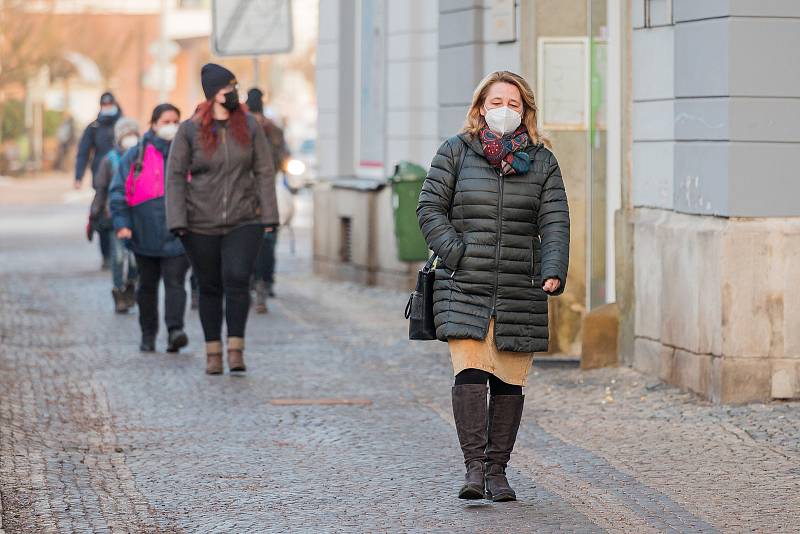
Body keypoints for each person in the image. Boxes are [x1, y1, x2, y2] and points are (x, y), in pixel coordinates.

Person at [417, 71, 570, 502]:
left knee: (507, 380)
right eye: (497, 101)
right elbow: (429, 207)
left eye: (514, 103)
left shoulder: (542, 160)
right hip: (464, 283)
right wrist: (456, 252)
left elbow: (555, 221)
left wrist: (554, 268)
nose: (505, 109)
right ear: (481, 107)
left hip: (520, 285)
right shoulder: (455, 151)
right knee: (470, 371)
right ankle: (473, 468)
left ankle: (498, 471)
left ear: (525, 111)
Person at [166, 63, 279, 375]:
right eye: (228, 88)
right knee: (210, 286)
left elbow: (264, 171)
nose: (234, 93)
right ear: (214, 93)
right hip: (200, 221)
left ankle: (236, 348)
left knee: (238, 278)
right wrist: (177, 220)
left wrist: (269, 215)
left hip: (245, 219)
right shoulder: (190, 130)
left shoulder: (250, 127)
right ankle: (213, 351)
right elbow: (175, 176)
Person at [110, 103, 190, 354]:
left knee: (175, 283)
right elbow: (118, 191)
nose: (171, 126)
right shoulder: (136, 155)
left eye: (175, 121)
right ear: (154, 124)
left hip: (178, 231)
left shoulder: (187, 153)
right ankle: (148, 333)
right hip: (144, 231)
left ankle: (175, 331)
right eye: (166, 121)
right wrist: (122, 223)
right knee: (147, 286)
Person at [245, 87, 290, 313]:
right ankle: (252, 283)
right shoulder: (240, 129)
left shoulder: (273, 131)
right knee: (249, 243)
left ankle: (265, 282)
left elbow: (283, 156)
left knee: (268, 241)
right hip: (244, 195)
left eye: (258, 115)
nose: (256, 119)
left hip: (269, 191)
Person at [90, 117, 140, 313]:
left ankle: (130, 287)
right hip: (116, 216)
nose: (130, 138)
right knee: (118, 257)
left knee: (136, 260)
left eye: (133, 133)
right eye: (126, 134)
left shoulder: (143, 156)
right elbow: (101, 189)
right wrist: (95, 213)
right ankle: (119, 291)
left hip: (139, 216)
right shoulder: (109, 160)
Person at [76, 92, 123, 270]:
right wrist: (78, 176)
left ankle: (124, 254)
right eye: (105, 105)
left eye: (110, 104)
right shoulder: (94, 127)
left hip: (123, 178)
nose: (107, 107)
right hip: (101, 180)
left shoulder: (124, 124)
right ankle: (107, 256)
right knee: (103, 218)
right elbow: (83, 152)